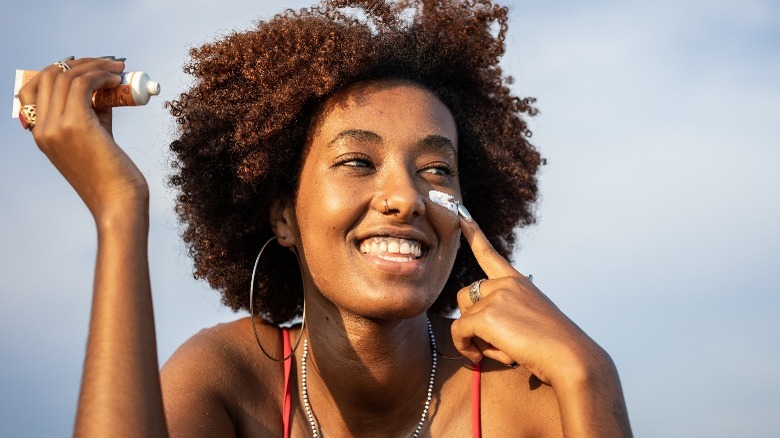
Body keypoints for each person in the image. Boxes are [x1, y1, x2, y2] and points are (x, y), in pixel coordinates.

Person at [17, 0, 632, 436]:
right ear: (283, 216)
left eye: (438, 171)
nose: (406, 198)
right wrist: (120, 211)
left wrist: (590, 375)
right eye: (358, 161)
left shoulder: (522, 392)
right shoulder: (226, 381)